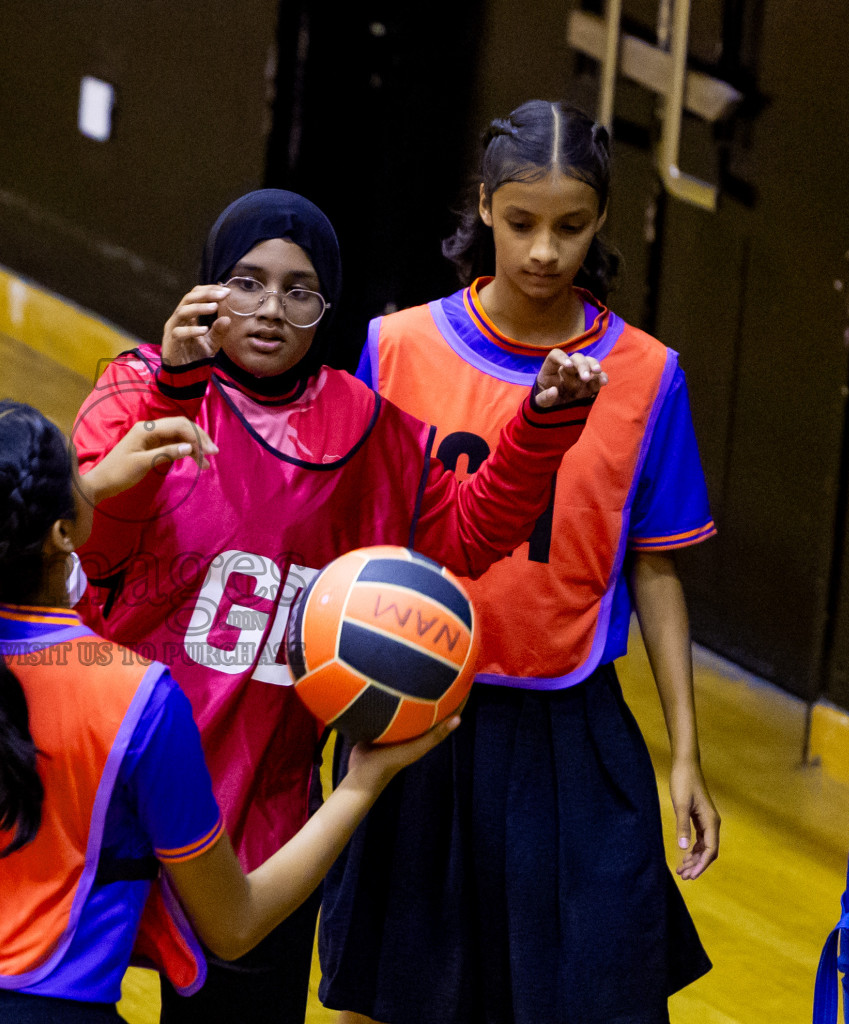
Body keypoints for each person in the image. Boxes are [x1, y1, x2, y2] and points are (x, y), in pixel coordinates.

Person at [69, 188, 609, 1023]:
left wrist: (542, 425)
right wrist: (174, 392)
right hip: (112, 771)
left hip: (262, 797)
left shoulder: (369, 430)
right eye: (246, 283)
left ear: (328, 308)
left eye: (300, 289)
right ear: (207, 287)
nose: (271, 309)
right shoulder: (136, 385)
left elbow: (466, 536)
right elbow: (96, 549)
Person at [0, 400, 457, 1023]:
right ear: (60, 531)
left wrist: (80, 491)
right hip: (41, 1008)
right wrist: (362, 782)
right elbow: (233, 925)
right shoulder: (133, 697)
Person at [320, 99, 720, 1024]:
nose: (545, 250)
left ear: (602, 224)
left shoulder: (649, 375)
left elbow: (655, 572)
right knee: (395, 990)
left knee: (595, 986)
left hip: (567, 721)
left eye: (571, 227)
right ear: (486, 210)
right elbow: (356, 538)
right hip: (416, 709)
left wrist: (687, 758)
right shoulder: (398, 346)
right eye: (523, 223)